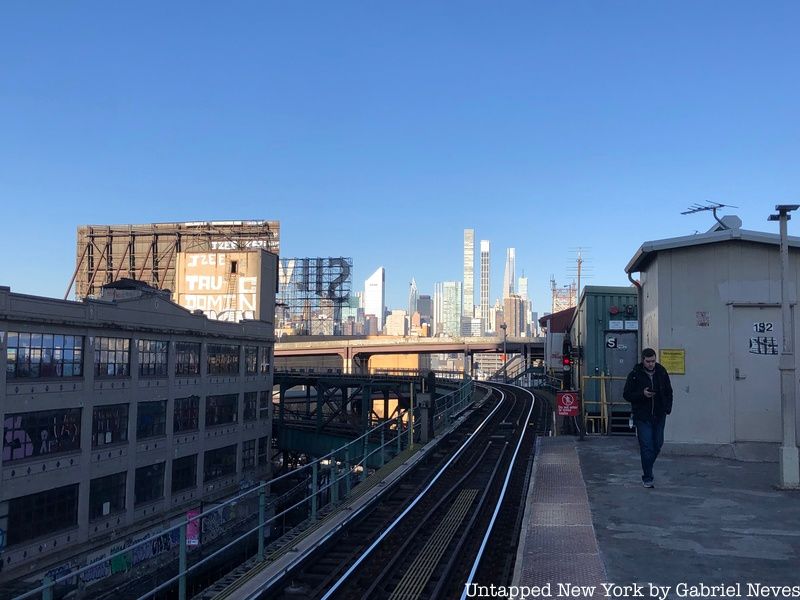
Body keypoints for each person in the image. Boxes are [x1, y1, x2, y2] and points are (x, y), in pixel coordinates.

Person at [623, 348, 673, 488]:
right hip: (642, 416)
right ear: (643, 360)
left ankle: (647, 467)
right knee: (646, 446)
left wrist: (667, 408)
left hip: (659, 414)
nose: (651, 364)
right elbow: (627, 394)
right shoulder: (634, 375)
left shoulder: (661, 372)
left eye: (653, 361)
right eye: (648, 361)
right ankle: (647, 477)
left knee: (657, 444)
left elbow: (669, 391)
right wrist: (642, 394)